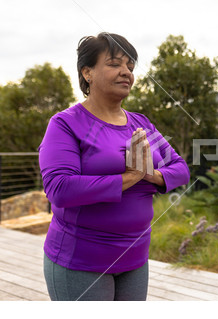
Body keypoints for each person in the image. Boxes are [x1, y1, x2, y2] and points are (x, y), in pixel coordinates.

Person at [38, 32, 190, 301]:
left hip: (135, 259)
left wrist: (151, 175)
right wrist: (129, 177)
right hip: (81, 263)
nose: (126, 73)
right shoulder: (65, 124)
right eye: (114, 64)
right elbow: (60, 189)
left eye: (130, 67)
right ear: (88, 73)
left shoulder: (140, 123)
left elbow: (180, 170)